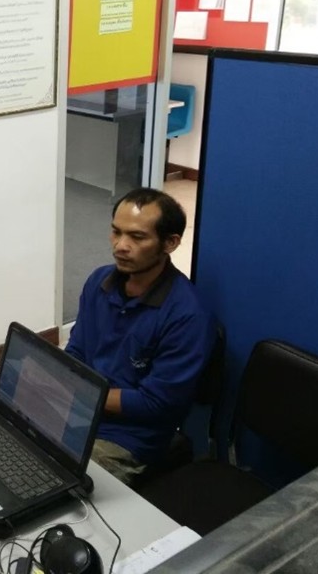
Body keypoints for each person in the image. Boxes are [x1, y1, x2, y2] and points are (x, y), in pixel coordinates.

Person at [65, 187, 215, 486]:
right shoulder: (98, 282)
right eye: (116, 232)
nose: (121, 246)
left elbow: (155, 403)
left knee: (60, 486)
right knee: (12, 439)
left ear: (170, 243)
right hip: (80, 409)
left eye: (137, 237)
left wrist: (81, 392)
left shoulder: (188, 315)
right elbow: (76, 353)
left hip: (127, 437)